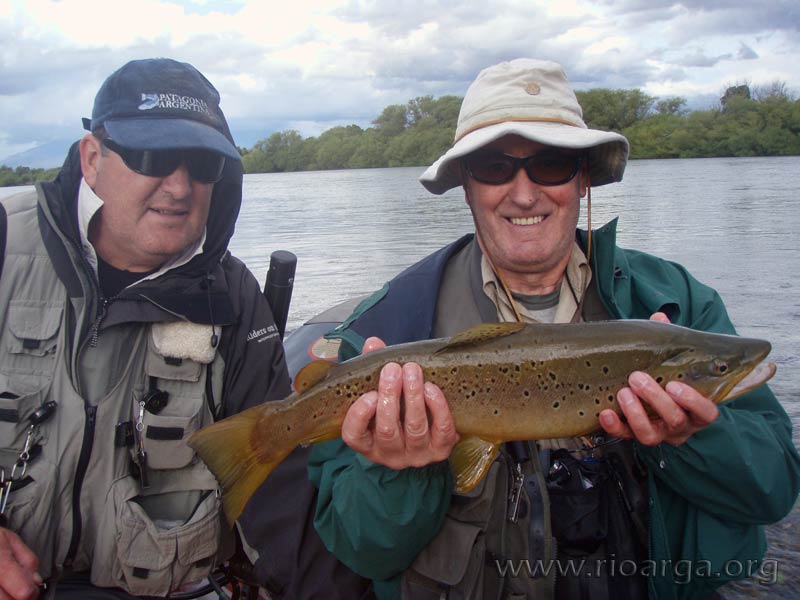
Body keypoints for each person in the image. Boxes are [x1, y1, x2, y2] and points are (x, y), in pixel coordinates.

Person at [309, 59, 800, 600]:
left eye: (551, 164)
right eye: (495, 166)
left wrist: (694, 437)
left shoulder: (676, 304)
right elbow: (359, 550)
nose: (524, 193)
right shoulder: (385, 332)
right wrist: (400, 472)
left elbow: (772, 490)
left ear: (583, 176)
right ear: (466, 185)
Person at [0, 58, 299, 600]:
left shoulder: (234, 299)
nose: (180, 186)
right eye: (154, 156)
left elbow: (282, 499)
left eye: (203, 163)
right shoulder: (3, 244)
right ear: (93, 159)